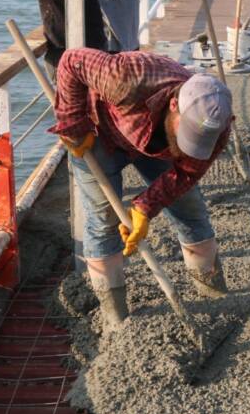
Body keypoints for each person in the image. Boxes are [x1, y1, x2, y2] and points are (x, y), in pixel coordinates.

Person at [49, 48, 234, 329]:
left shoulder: (217, 124)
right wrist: (74, 123)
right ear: (174, 106)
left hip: (156, 146)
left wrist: (145, 207)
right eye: (189, 134)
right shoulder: (126, 78)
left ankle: (213, 296)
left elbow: (187, 172)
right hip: (99, 132)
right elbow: (71, 61)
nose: (193, 143)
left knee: (190, 208)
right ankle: (116, 320)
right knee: (103, 220)